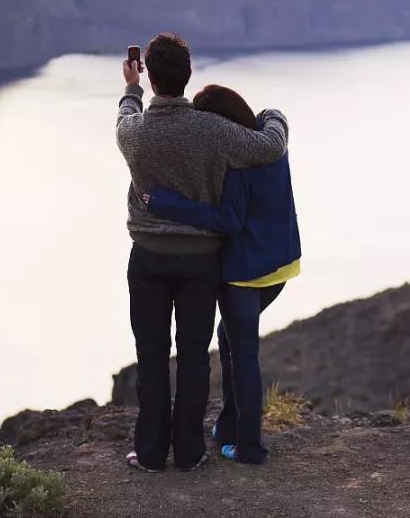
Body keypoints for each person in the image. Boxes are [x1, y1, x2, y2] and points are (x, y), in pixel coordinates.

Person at [115, 34, 289, 473]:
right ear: (189, 76)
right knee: (194, 356)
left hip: (148, 258)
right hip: (200, 262)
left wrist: (131, 88)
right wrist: (275, 116)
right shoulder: (214, 131)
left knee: (151, 356)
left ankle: (152, 453)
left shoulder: (134, 134)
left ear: (152, 78)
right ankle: (190, 452)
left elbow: (126, 113)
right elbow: (270, 145)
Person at [142, 84, 300, 466]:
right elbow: (275, 115)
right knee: (229, 338)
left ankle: (250, 448)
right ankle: (230, 426)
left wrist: (167, 204)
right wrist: (274, 113)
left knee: (244, 354)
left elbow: (228, 220)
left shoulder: (235, 163)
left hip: (244, 272)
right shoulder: (268, 139)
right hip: (279, 266)